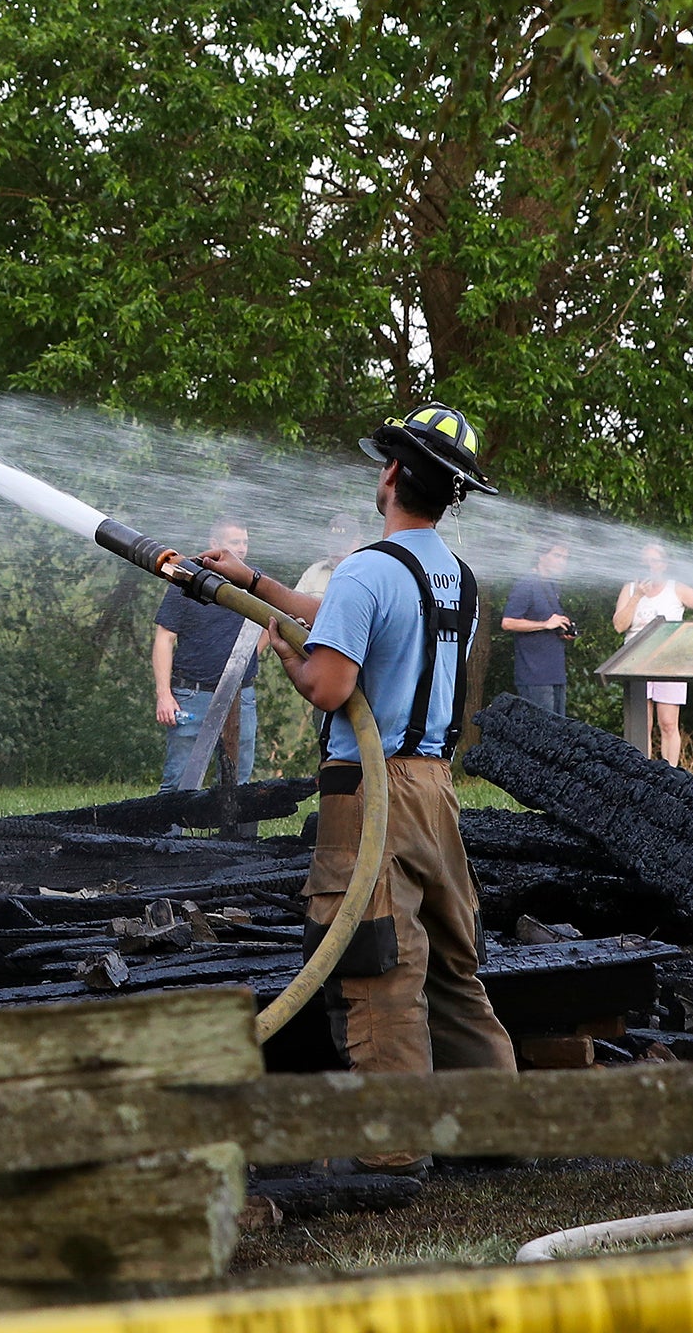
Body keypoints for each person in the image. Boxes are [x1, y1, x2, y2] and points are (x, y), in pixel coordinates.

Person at [172, 403, 516, 1167]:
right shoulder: (453, 576)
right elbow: (348, 616)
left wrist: (293, 662)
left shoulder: (368, 566)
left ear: (392, 473)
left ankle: (392, 1150)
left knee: (376, 965)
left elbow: (331, 683)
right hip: (435, 791)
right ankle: (500, 1130)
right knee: (454, 969)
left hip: (370, 794)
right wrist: (253, 582)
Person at [151, 519, 259, 788]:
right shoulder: (186, 580)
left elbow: (270, 624)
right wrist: (164, 695)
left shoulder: (254, 583)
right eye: (235, 543)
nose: (242, 549)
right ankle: (167, 831)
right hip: (193, 695)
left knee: (238, 785)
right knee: (178, 783)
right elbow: (164, 638)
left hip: (241, 696)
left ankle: (230, 832)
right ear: (214, 544)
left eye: (245, 542)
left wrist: (249, 653)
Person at [613, 543, 693, 766]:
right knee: (643, 723)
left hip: (670, 661)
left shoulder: (676, 588)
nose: (649, 566)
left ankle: (669, 775)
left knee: (669, 722)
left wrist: (685, 635)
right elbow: (619, 626)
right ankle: (642, 772)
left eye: (654, 561)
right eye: (645, 561)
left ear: (664, 564)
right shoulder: (630, 589)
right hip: (636, 662)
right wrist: (637, 596)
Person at [500, 542, 577, 717]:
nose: (562, 562)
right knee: (541, 735)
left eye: (566, 558)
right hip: (535, 677)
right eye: (557, 556)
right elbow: (508, 622)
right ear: (541, 556)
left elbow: (549, 620)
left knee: (559, 733)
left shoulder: (552, 585)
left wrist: (561, 631)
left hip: (556, 674)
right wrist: (544, 624)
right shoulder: (526, 584)